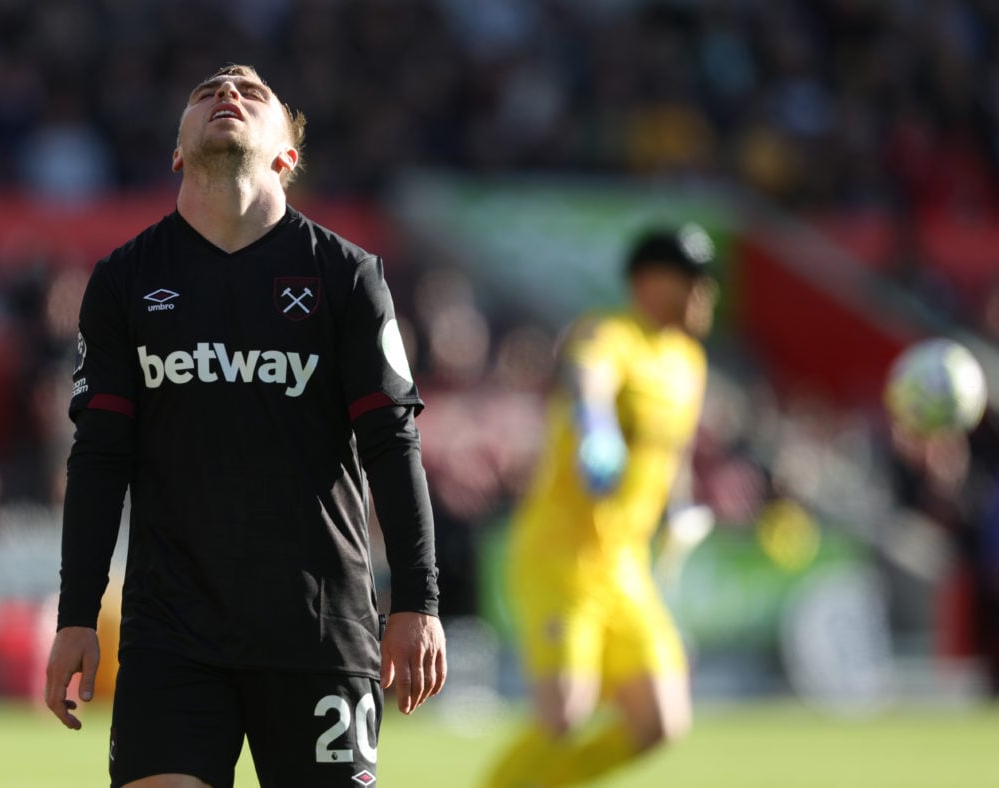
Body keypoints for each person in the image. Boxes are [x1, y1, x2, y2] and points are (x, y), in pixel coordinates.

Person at [43, 64, 447, 788]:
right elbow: (100, 456)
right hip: (173, 634)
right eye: (205, 93)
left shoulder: (348, 276)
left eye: (250, 94)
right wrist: (76, 614)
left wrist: (418, 601)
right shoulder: (123, 280)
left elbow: (392, 443)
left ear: (287, 156)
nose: (225, 94)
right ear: (176, 153)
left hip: (319, 631)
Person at [483, 224, 719, 786]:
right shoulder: (611, 333)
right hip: (561, 555)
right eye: (690, 281)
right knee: (564, 713)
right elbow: (588, 379)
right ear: (649, 282)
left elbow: (674, 453)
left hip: (624, 565)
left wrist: (679, 508)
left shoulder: (689, 363)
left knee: (660, 720)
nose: (702, 295)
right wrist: (597, 430)